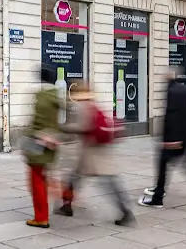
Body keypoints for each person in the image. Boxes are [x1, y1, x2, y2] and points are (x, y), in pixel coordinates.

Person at [139, 67, 186, 216]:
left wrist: (170, 140)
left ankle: (158, 198)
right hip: (185, 137)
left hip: (175, 139)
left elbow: (172, 117)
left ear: (169, 76)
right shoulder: (184, 89)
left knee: (167, 165)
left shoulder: (173, 91)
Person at [56, 85, 135, 227]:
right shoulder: (93, 103)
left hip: (92, 152)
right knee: (78, 179)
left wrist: (65, 128)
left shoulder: (82, 106)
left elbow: (84, 126)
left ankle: (126, 212)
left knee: (107, 183)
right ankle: (67, 205)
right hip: (98, 150)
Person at [22, 66, 61, 228]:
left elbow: (37, 122)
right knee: (43, 177)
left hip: (38, 143)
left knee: (36, 181)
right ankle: (65, 195)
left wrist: (27, 141)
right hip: (52, 143)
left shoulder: (41, 96)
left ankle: (41, 217)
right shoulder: (57, 95)